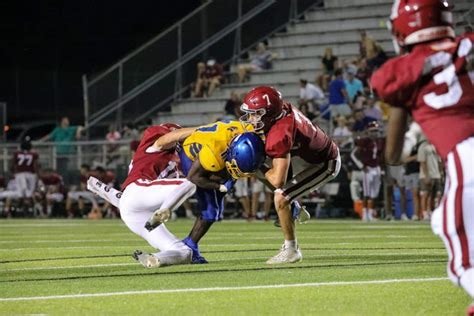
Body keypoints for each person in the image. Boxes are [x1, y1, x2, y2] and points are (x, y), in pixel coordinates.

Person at [371, 1, 474, 313]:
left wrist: (404, 146)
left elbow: (392, 153)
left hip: (467, 158)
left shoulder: (400, 72)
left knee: (461, 259)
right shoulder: (468, 44)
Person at [240, 86, 341, 264]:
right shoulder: (281, 110)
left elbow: (278, 181)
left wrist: (256, 165)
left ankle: (291, 250)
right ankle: (294, 207)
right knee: (271, 181)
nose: (251, 118)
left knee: (281, 196)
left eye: (255, 114)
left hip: (324, 162)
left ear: (269, 113)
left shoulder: (280, 132)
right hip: (302, 156)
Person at [146, 122, 265, 264]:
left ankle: (190, 244)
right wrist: (219, 186)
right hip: (192, 159)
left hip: (218, 151)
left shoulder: (252, 134)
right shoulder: (214, 151)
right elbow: (194, 178)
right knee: (211, 212)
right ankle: (189, 246)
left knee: (216, 210)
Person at [88, 123, 199, 268]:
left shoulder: (174, 160)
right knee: (191, 182)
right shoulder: (153, 147)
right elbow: (169, 138)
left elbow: (127, 201)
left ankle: (155, 258)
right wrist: (203, 130)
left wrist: (100, 188)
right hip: (138, 192)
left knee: (185, 252)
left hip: (132, 211)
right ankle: (163, 212)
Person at [351, 121, 384, 221]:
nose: (375, 133)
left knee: (375, 193)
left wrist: (381, 168)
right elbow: (353, 154)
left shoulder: (379, 142)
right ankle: (365, 214)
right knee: (367, 193)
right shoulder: (364, 141)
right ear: (368, 131)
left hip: (376, 168)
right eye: (373, 131)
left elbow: (380, 156)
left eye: (376, 131)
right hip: (368, 169)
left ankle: (371, 213)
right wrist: (361, 166)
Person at [12, 137, 39, 204]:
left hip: (20, 174)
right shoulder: (33, 154)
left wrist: (14, 172)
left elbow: (13, 164)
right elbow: (35, 165)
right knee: (30, 191)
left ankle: (20, 205)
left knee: (20, 191)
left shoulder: (17, 153)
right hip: (30, 174)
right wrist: (37, 174)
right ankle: (28, 205)